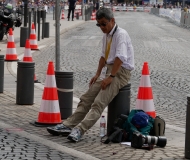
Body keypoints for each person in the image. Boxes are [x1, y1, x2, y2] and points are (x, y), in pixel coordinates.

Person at [47, 7, 135, 142]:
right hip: (110, 70)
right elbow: (103, 57)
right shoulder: (106, 35)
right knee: (86, 98)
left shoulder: (120, 34)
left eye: (104, 24)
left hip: (120, 72)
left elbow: (120, 58)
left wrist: (111, 77)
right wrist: (98, 74)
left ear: (112, 20)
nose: (101, 27)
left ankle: (80, 130)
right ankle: (68, 125)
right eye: (99, 24)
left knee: (99, 103)